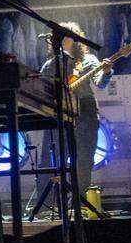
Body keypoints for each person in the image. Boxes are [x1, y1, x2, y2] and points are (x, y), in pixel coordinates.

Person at [36, 23, 112, 206]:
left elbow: (100, 83)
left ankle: (78, 201)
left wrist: (107, 72)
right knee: (53, 158)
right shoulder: (51, 63)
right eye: (59, 36)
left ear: (74, 39)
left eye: (66, 35)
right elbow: (39, 87)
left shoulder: (88, 59)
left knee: (84, 157)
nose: (61, 39)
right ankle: (51, 203)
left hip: (85, 109)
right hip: (60, 112)